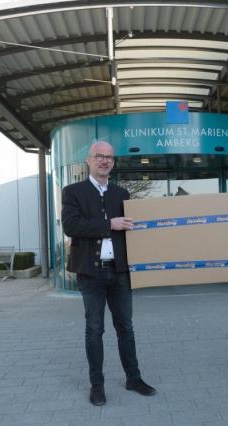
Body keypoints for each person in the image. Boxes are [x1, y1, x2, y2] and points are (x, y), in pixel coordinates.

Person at [61, 141, 156, 406]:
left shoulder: (121, 193)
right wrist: (108, 225)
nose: (105, 161)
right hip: (90, 273)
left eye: (109, 157)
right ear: (89, 161)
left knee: (126, 327)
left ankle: (133, 378)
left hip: (120, 272)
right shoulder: (73, 191)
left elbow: (131, 229)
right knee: (94, 329)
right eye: (99, 156)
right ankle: (97, 385)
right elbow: (71, 225)